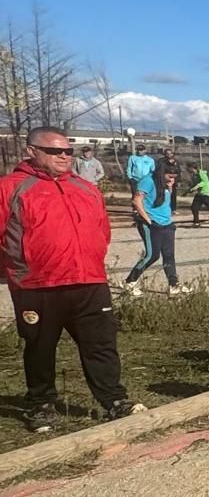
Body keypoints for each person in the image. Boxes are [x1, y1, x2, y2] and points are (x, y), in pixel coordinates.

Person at [1, 128, 145, 432]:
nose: (64, 156)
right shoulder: (10, 187)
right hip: (38, 285)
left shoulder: (86, 188)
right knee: (40, 347)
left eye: (68, 151)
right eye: (55, 151)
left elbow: (102, 230)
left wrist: (91, 258)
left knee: (101, 344)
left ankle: (114, 400)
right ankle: (41, 405)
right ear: (31, 151)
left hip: (89, 280)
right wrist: (15, 268)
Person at [123, 166, 188, 296]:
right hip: (151, 223)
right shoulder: (148, 181)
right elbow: (136, 200)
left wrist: (170, 187)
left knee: (169, 255)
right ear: (162, 172)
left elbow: (165, 200)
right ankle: (129, 281)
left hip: (166, 222)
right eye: (170, 176)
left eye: (174, 177)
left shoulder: (165, 183)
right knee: (152, 255)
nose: (172, 179)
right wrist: (147, 220)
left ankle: (173, 284)